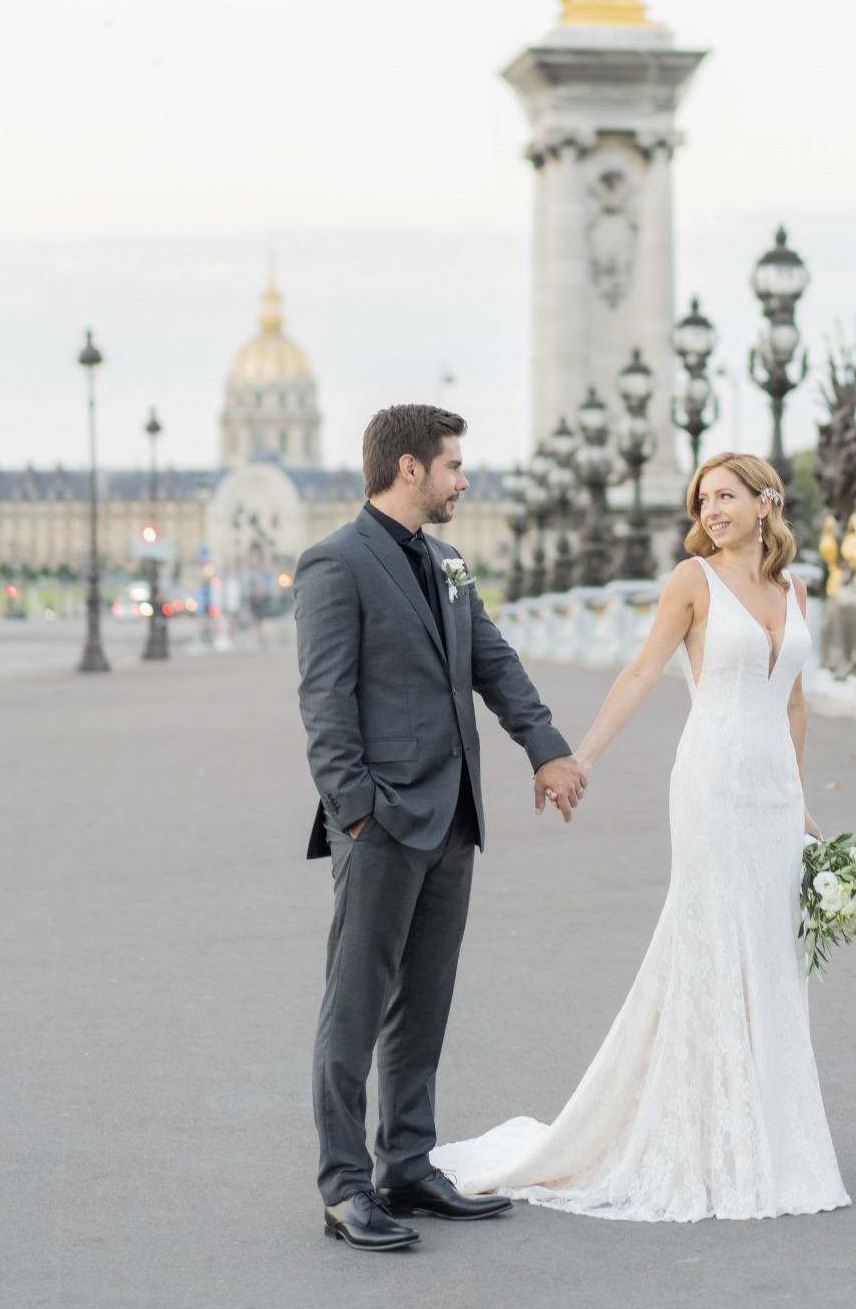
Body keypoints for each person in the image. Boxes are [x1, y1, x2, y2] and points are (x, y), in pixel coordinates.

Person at [434, 452, 850, 1222]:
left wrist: (798, 800)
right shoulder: (692, 582)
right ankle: (707, 1140)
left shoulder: (793, 589)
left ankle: (768, 1134)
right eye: (703, 500)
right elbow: (638, 673)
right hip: (712, 783)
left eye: (726, 496)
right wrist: (579, 757)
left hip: (770, 793)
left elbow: (794, 705)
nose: (711, 511)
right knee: (712, 941)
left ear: (768, 502)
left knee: (767, 946)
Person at [294, 404, 587, 1253]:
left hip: (454, 819)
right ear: (410, 469)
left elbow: (492, 661)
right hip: (381, 824)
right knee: (353, 1010)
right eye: (455, 466)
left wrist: (547, 748)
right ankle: (345, 1188)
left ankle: (407, 1164)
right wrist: (356, 811)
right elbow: (324, 703)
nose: (466, 480)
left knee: (424, 1003)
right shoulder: (334, 563)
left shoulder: (450, 562)